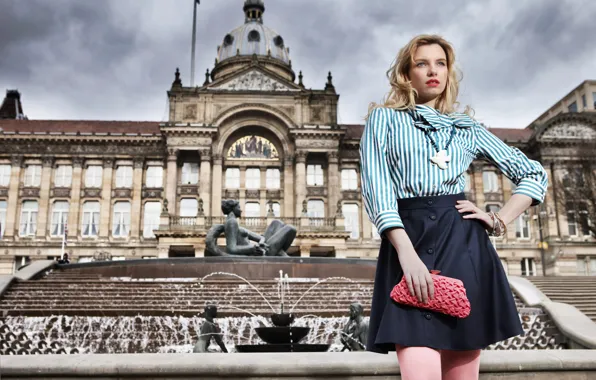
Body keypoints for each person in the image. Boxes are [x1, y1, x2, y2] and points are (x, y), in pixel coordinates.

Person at [359, 34, 547, 380]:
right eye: (422, 63)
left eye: (441, 63)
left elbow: (533, 173)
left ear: (448, 73)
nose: (433, 71)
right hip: (408, 240)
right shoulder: (383, 120)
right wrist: (405, 252)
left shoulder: (468, 128)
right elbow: (377, 190)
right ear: (406, 74)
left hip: (463, 245)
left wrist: (498, 219)